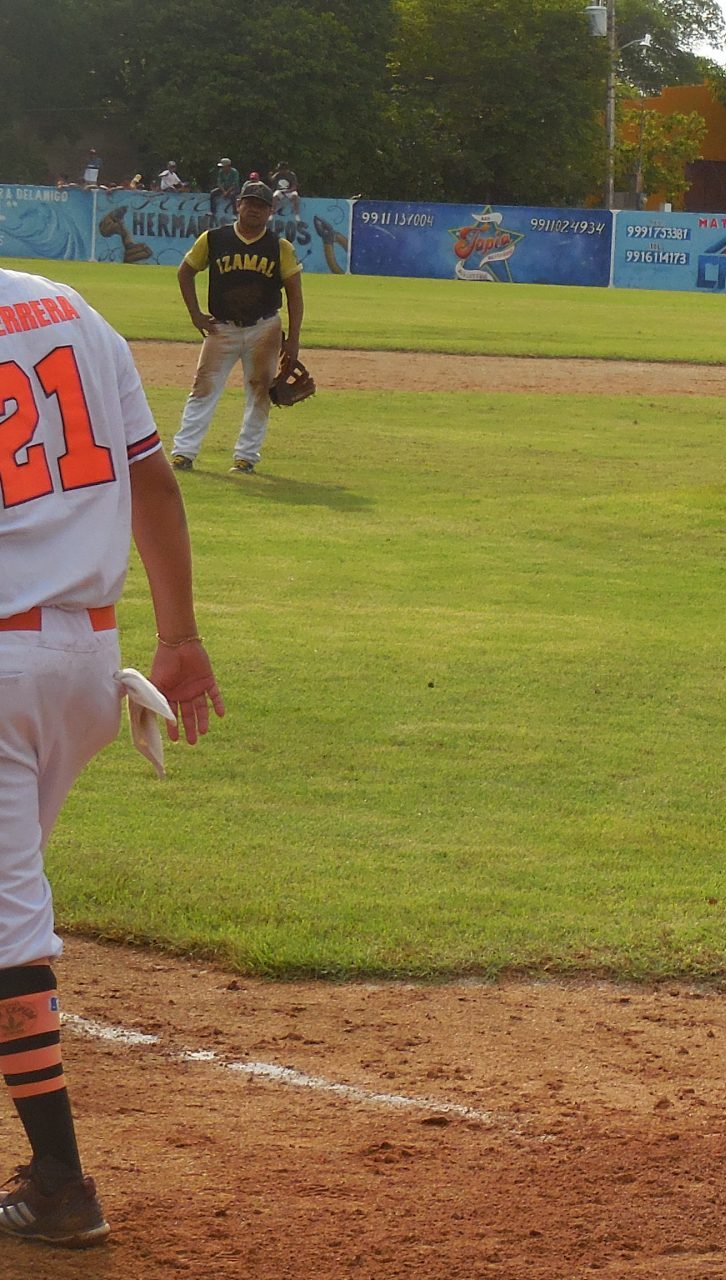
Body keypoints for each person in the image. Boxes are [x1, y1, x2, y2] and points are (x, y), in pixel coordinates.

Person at [0, 263, 224, 1247]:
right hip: (85, 657)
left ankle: (60, 1184)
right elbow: (153, 478)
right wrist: (179, 637)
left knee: (10, 931)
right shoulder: (75, 311)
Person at [170, 182, 303, 475]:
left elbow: (295, 292)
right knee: (203, 387)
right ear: (238, 205)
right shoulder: (214, 239)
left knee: (260, 391)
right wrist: (195, 315)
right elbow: (185, 272)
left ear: (270, 212)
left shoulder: (279, 247)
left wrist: (293, 340)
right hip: (222, 328)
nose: (254, 209)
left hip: (265, 328)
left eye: (261, 205)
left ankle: (246, 457)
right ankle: (183, 452)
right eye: (249, 203)